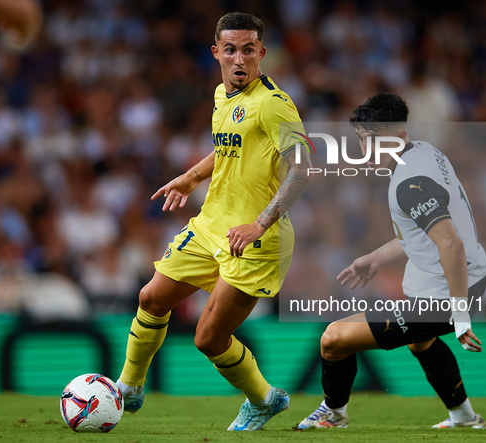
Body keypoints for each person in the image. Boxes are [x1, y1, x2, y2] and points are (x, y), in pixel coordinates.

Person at [116, 12, 311, 431]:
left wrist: (259, 224)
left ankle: (263, 399)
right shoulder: (224, 95)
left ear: (261, 53)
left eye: (248, 50)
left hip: (257, 238)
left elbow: (303, 168)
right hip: (212, 224)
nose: (239, 59)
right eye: (230, 50)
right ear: (216, 53)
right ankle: (129, 388)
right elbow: (228, 148)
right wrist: (190, 177)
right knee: (151, 298)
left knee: (207, 338)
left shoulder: (273, 104)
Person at [298, 93, 486, 430]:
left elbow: (451, 244)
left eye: (374, 140)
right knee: (421, 341)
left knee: (333, 338)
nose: (365, 150)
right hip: (464, 277)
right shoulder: (427, 153)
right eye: (361, 140)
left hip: (448, 292)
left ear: (399, 136)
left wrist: (459, 313)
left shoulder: (409, 184)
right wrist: (375, 258)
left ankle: (334, 413)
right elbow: (423, 234)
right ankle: (464, 417)